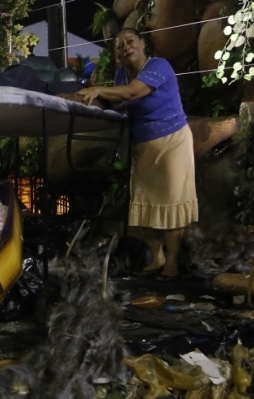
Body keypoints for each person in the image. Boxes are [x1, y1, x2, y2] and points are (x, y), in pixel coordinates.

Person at [76, 28, 197, 279]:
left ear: (142, 44)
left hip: (173, 142)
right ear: (117, 55)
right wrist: (77, 101)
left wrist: (97, 90)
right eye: (119, 46)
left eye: (130, 42)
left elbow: (133, 93)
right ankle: (157, 257)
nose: (125, 48)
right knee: (144, 202)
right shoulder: (122, 74)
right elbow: (120, 102)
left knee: (172, 201)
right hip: (143, 145)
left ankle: (172, 261)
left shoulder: (159, 66)